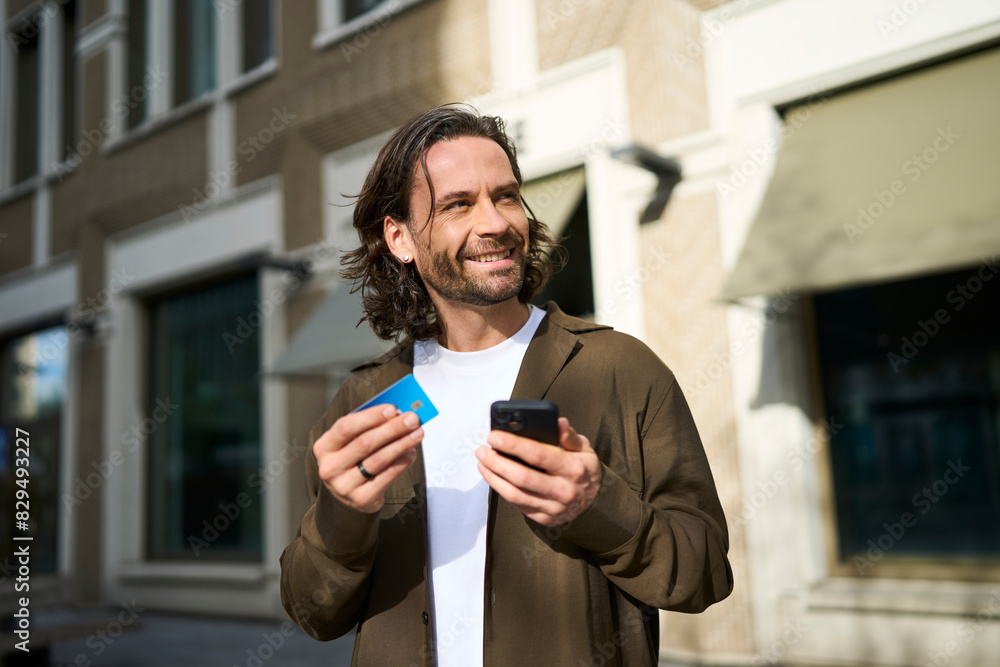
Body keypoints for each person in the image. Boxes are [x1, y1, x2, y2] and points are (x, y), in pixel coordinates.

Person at [279, 105, 733, 667]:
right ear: (399, 238)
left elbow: (704, 574)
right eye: (458, 204)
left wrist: (597, 505)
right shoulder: (369, 398)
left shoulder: (620, 368)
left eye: (507, 196)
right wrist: (342, 515)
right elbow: (312, 614)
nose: (495, 223)